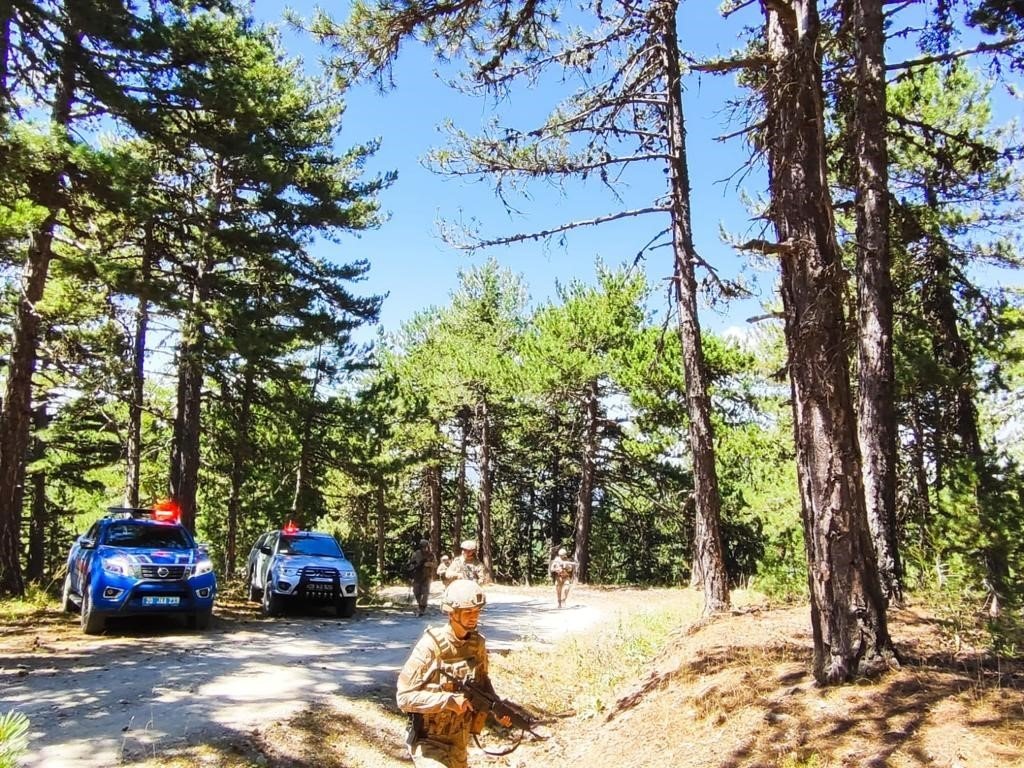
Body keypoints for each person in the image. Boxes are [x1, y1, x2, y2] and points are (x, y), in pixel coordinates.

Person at [397, 579, 511, 767]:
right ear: (452, 613)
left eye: (477, 611)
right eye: (468, 612)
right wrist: (447, 701)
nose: (474, 617)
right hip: (428, 744)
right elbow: (404, 698)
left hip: (459, 744)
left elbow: (483, 684)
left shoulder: (477, 645)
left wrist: (496, 708)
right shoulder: (431, 645)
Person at [406, 539, 438, 616]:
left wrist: (429, 564)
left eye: (426, 547)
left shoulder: (431, 555)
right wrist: (412, 570)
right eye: (423, 547)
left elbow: (436, 565)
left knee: (425, 593)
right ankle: (419, 604)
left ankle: (422, 607)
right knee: (416, 591)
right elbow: (410, 564)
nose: (425, 549)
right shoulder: (416, 554)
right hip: (417, 576)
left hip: (427, 576)